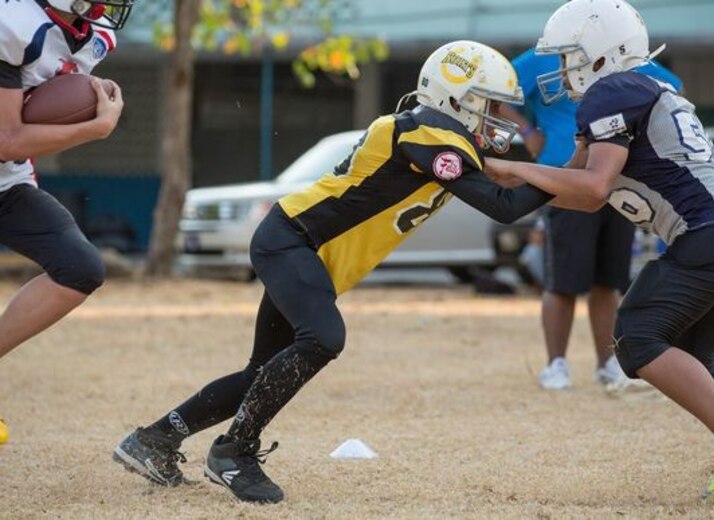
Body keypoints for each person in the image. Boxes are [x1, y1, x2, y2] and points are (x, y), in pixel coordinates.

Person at [113, 40, 557, 503]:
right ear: (457, 98)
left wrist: (543, 173)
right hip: (295, 240)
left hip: (300, 245)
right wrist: (570, 174)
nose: (497, 116)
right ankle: (234, 451)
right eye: (490, 105)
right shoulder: (429, 133)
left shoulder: (432, 135)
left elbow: (497, 183)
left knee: (261, 373)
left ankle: (154, 440)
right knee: (324, 339)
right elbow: (504, 206)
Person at [484, 0, 714, 500]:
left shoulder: (612, 90)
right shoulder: (637, 88)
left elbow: (595, 186)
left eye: (568, 56)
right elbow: (577, 188)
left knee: (636, 337)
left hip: (711, 232)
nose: (561, 69)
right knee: (692, 355)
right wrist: (506, 182)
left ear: (601, 52)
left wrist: (515, 167)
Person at [499, 37, 683, 391]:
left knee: (609, 280)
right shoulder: (542, 57)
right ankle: (556, 363)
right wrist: (528, 131)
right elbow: (499, 94)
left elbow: (673, 87)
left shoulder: (618, 52)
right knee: (562, 279)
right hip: (563, 173)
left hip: (617, 176)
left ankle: (607, 362)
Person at [0, 0, 130, 441]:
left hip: (7, 184)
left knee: (80, 268)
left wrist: (89, 98)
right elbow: (8, 139)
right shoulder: (13, 24)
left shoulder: (94, 34)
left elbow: (47, 101)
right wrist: (94, 128)